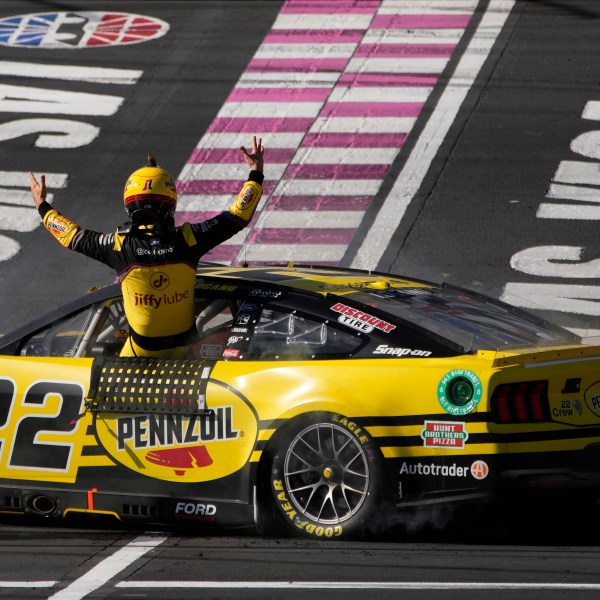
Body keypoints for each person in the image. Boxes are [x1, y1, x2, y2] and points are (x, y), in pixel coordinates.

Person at [29, 136, 264, 358]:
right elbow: (238, 216)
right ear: (170, 202)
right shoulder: (189, 239)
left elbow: (71, 235)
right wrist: (255, 173)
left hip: (137, 355)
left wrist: (42, 206)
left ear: (129, 206)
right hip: (188, 355)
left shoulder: (118, 246)